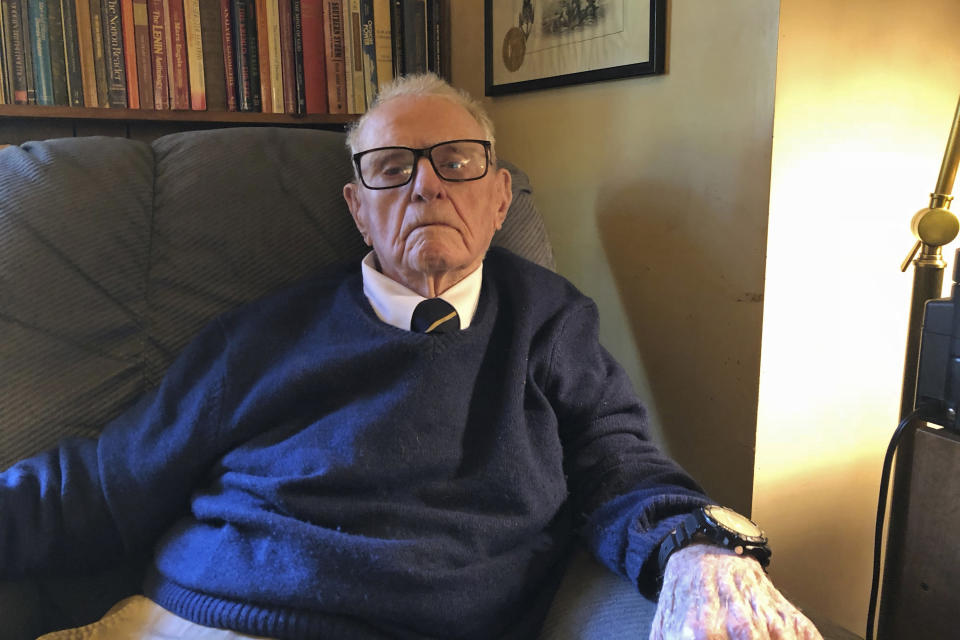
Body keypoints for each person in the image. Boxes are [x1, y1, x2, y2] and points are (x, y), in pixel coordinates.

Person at [0, 74, 821, 640]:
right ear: (360, 210)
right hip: (214, 617)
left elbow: (621, 467)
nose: (426, 187)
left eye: (455, 163)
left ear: (498, 198)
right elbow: (104, 485)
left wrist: (699, 546)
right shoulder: (260, 335)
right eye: (393, 169)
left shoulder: (547, 322)